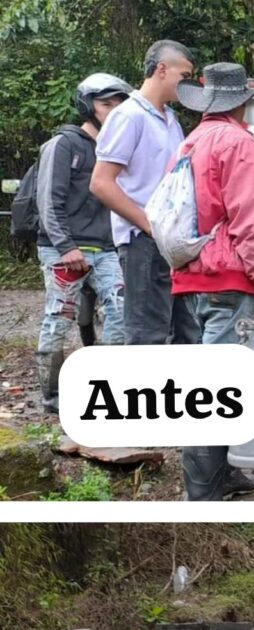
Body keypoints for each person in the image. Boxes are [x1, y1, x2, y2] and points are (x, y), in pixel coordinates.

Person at [171, 62, 254, 500]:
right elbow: (248, 223)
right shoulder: (239, 143)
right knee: (215, 394)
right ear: (245, 101)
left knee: (215, 381)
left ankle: (226, 472)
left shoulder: (192, 141)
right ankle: (201, 500)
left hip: (193, 275)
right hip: (228, 278)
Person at [90, 39, 200, 346]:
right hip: (142, 242)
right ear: (162, 70)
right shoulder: (129, 116)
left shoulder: (170, 119)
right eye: (185, 75)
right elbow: (101, 182)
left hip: (169, 241)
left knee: (187, 331)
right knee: (146, 335)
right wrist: (148, 225)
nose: (187, 84)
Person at [35, 73, 131, 413]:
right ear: (87, 106)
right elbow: (48, 201)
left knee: (121, 314)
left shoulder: (112, 149)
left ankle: (100, 389)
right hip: (64, 248)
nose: (114, 110)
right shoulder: (64, 145)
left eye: (120, 104)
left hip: (105, 249)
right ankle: (52, 397)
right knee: (58, 318)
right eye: (106, 104)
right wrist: (66, 247)